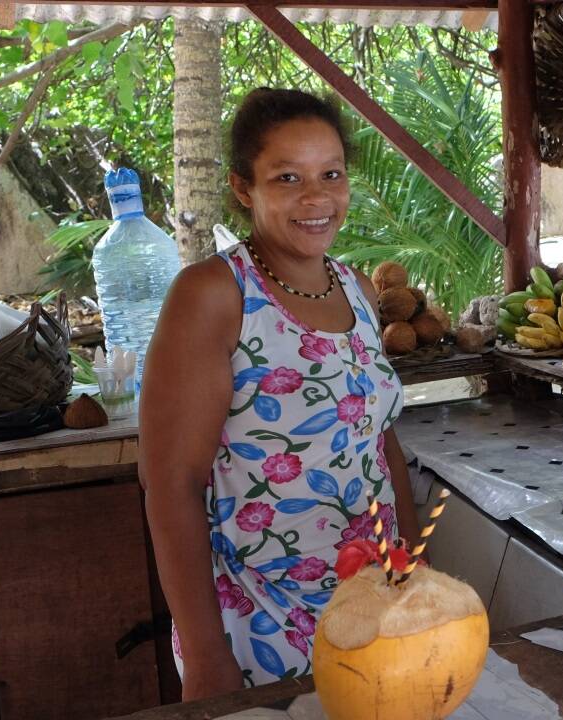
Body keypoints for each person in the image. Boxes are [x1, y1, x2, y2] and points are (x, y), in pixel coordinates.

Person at [139, 88, 420, 700]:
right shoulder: (214, 295)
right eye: (287, 177)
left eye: (331, 174)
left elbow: (377, 440)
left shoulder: (356, 290)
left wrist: (410, 571)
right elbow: (170, 484)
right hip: (260, 617)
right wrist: (209, 655)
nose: (316, 197)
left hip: (369, 601)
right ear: (245, 188)